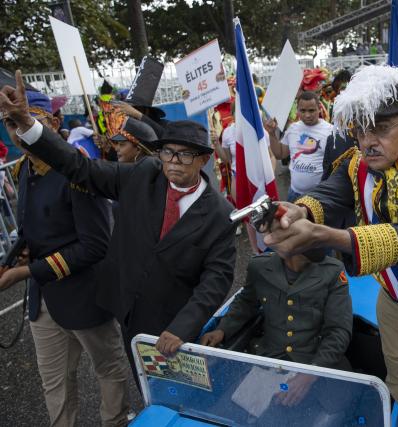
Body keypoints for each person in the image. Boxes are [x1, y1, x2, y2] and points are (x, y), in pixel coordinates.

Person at [262, 65, 398, 427]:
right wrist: (296, 211)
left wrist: (326, 236)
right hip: (394, 311)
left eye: (381, 129)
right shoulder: (356, 164)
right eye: (360, 129)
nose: (367, 141)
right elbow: (329, 196)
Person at [0, 71, 237, 376]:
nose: (174, 161)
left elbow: (216, 279)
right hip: (130, 315)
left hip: (177, 324)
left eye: (185, 155)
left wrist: (183, 326)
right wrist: (27, 125)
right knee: (145, 386)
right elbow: (78, 166)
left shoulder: (220, 214)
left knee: (182, 392)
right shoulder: (143, 175)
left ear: (203, 160)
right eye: (167, 152)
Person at [0, 89, 130, 426]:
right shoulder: (24, 171)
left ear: (53, 122)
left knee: (108, 369)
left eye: (24, 121)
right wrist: (17, 257)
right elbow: (38, 229)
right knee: (55, 383)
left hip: (86, 294)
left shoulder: (77, 170)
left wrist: (27, 271)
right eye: (9, 125)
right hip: (44, 302)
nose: (17, 132)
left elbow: (96, 245)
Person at [200, 251, 352, 370]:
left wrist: (313, 372)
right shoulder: (259, 266)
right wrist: (222, 329)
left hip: (315, 360)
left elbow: (338, 330)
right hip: (269, 359)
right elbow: (246, 302)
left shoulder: (332, 272)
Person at [266, 91, 333, 202]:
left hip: (320, 196)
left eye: (311, 110)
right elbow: (280, 154)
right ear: (297, 110)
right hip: (294, 194)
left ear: (319, 108)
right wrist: (272, 134)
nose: (307, 115)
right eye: (303, 111)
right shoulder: (292, 129)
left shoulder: (330, 131)